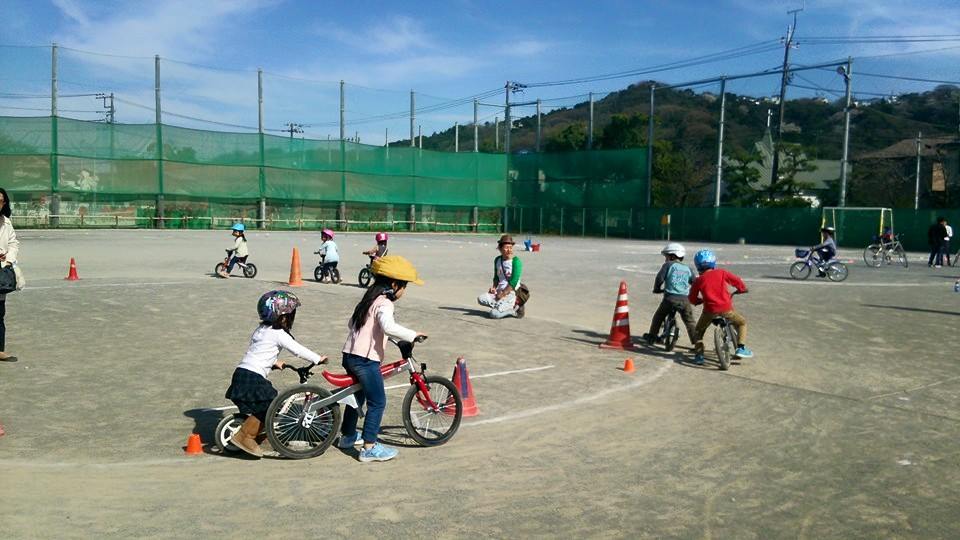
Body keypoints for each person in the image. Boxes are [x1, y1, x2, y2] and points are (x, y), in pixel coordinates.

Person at [339, 255, 425, 462]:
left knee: (356, 396)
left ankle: (348, 436)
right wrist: (413, 335)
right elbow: (388, 327)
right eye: (404, 286)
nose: (404, 291)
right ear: (395, 284)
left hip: (349, 354)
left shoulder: (369, 298)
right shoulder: (385, 303)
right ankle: (369, 447)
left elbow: (353, 324)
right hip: (365, 361)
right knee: (377, 401)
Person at [225, 290, 328, 458]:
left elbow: (257, 351)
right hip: (253, 377)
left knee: (265, 405)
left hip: (242, 373)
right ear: (283, 316)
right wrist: (318, 358)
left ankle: (257, 434)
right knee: (271, 406)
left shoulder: (261, 330)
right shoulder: (279, 333)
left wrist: (274, 362)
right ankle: (245, 436)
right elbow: (297, 349)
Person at [688, 249, 751, 366]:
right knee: (741, 323)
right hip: (726, 309)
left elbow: (692, 298)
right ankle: (741, 347)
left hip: (709, 311)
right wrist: (742, 289)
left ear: (697, 265)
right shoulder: (721, 273)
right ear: (713, 262)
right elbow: (737, 281)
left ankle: (699, 355)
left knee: (698, 331)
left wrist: (699, 301)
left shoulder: (698, 280)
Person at [641, 243, 697, 347]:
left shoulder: (668, 265)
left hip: (670, 298)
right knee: (690, 322)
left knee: (659, 316)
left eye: (666, 256)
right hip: (685, 300)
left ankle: (652, 336)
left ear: (672, 256)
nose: (665, 259)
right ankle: (697, 343)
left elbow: (660, 278)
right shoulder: (687, 268)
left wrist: (657, 289)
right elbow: (694, 282)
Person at [478, 234, 525, 319]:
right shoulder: (497, 260)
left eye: (511, 247)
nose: (509, 250)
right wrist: (494, 288)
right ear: (500, 248)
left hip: (510, 293)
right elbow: (496, 277)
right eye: (506, 247)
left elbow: (513, 282)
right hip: (499, 292)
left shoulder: (516, 262)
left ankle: (512, 310)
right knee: (481, 299)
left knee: (494, 314)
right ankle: (501, 306)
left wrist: (502, 294)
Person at [0, 188, 19, 362]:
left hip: (1, 269)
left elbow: (13, 243)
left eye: (0, 201)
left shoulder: (6, 222)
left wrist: (8, 260)